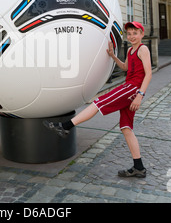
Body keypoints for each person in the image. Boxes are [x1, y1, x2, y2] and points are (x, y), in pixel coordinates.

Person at [44, 22, 152, 178]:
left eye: (135, 33)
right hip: (130, 87)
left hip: (132, 89)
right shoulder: (130, 50)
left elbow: (148, 74)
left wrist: (140, 95)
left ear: (142, 34)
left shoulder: (143, 49)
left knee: (98, 102)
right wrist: (113, 55)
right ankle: (139, 167)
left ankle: (65, 126)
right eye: (129, 34)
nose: (132, 36)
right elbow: (125, 68)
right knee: (126, 128)